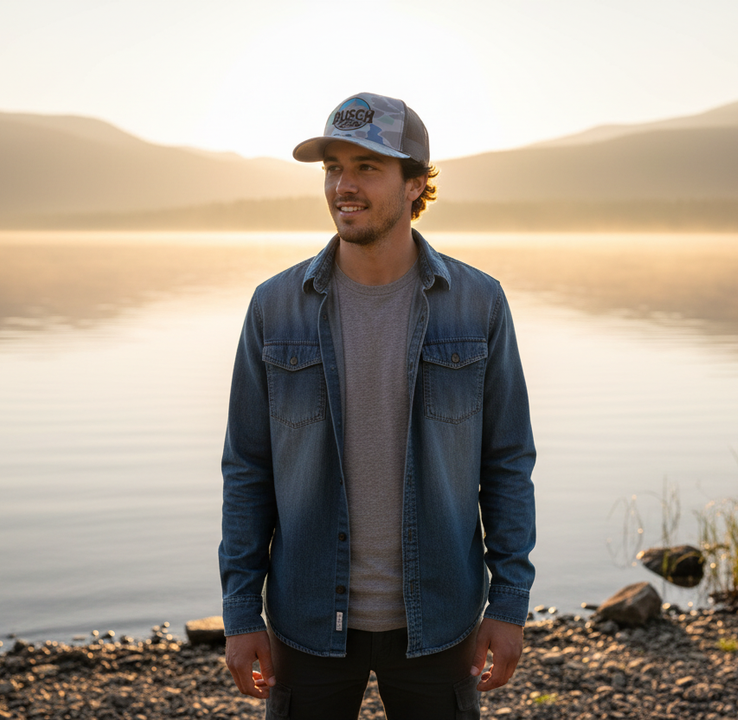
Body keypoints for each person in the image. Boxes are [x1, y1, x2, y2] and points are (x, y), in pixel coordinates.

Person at [219, 92, 536, 720]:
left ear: (416, 183)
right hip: (306, 616)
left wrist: (509, 603)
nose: (344, 185)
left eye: (367, 167)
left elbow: (506, 463)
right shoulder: (274, 308)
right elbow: (247, 470)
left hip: (439, 617)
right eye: (333, 168)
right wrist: (239, 611)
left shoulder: (478, 304)